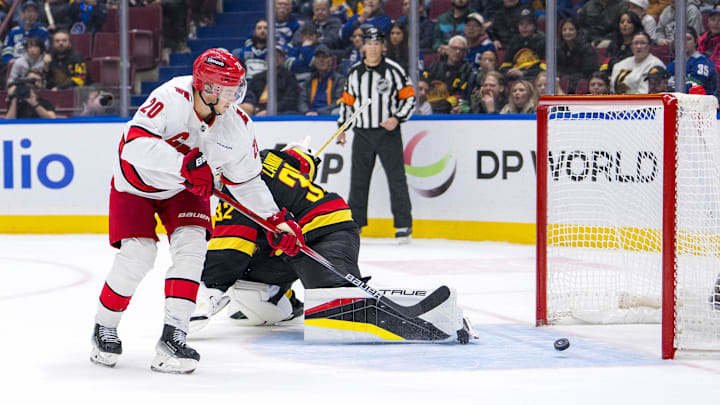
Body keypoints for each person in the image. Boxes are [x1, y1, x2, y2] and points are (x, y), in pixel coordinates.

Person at [89, 48, 304, 374]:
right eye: (231, 89)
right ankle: (104, 326)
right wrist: (183, 165)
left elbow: (246, 182)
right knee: (138, 255)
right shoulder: (170, 97)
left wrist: (276, 221)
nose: (237, 96)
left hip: (186, 190)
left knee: (192, 250)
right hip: (136, 184)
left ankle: (173, 337)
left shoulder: (238, 125)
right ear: (208, 87)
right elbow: (133, 143)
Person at [192, 142, 364, 330]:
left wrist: (209, 289)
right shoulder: (265, 157)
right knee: (250, 293)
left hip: (324, 230)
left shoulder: (237, 186)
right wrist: (305, 154)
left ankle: (351, 300)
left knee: (340, 314)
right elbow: (301, 162)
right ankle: (286, 301)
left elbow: (230, 246)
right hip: (290, 239)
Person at [336, 27, 415, 243]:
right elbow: (348, 102)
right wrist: (342, 128)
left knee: (396, 178)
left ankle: (403, 225)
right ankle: (356, 224)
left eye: (376, 44)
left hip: (387, 133)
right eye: (368, 44)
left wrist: (396, 118)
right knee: (358, 181)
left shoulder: (394, 70)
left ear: (383, 47)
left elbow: (409, 98)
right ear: (363, 47)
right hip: (362, 132)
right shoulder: (354, 72)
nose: (372, 48)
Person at [423, 35, 472, 113]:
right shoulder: (434, 66)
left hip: (451, 110)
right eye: (454, 48)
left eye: (461, 49)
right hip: (430, 106)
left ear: (465, 53)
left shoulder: (467, 71)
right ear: (448, 49)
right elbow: (423, 84)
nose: (457, 52)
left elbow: (464, 97)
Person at [247, 45, 300, 115]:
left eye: (279, 56)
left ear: (284, 59)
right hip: (257, 111)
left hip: (279, 113)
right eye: (271, 56)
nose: (275, 58)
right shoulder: (257, 77)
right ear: (266, 59)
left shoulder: (289, 77)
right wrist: (253, 107)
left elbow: (290, 101)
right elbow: (249, 95)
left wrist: (269, 111)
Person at [666, 28, 718, 95]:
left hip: (703, 102)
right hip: (680, 102)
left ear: (695, 42)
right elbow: (662, 85)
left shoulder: (703, 62)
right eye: (679, 39)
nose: (683, 43)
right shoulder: (672, 65)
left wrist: (669, 86)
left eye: (688, 39)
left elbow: (694, 87)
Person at [499, 8, 545, 82]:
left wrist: (524, 73)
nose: (524, 27)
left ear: (535, 26)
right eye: (521, 24)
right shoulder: (515, 41)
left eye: (528, 24)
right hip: (515, 78)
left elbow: (545, 70)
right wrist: (509, 72)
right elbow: (505, 66)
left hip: (534, 79)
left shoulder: (543, 41)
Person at [298, 44, 345, 115]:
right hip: (309, 115)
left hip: (328, 115)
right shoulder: (309, 80)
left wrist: (318, 113)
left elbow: (338, 102)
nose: (321, 60)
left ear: (331, 60)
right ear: (314, 61)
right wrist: (306, 112)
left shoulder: (339, 80)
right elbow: (302, 100)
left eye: (324, 57)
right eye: (318, 57)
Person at [557, 18, 599, 93]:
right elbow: (557, 69)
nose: (567, 32)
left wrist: (566, 78)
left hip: (580, 83)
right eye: (564, 30)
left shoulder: (587, 49)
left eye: (571, 29)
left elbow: (588, 73)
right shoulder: (559, 49)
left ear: (577, 31)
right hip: (563, 81)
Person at [699, 8, 720, 73]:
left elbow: (717, 68)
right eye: (713, 20)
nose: (716, 23)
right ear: (708, 22)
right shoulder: (702, 38)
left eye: (719, 20)